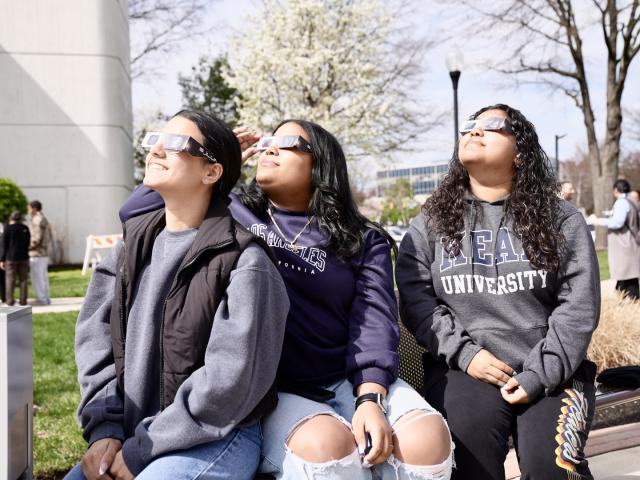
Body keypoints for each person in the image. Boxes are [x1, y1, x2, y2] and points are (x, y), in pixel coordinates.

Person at [120, 119, 454, 479]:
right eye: (266, 142)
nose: (269, 149)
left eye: (289, 143)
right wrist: (224, 155)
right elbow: (137, 209)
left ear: (321, 163)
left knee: (424, 440)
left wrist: (369, 398)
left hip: (345, 379)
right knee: (325, 445)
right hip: (273, 391)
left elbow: (373, 320)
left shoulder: (362, 238)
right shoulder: (232, 212)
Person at [64, 110, 289, 480]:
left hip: (217, 437)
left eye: (175, 144)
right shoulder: (127, 250)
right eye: (154, 140)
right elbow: (95, 344)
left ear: (212, 172)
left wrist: (141, 449)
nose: (156, 151)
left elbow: (228, 382)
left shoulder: (246, 261)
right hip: (133, 436)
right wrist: (104, 431)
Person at [396, 104, 600, 480]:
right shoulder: (431, 223)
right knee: (467, 462)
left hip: (553, 372)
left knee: (550, 469)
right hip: (467, 370)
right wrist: (466, 354)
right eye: (471, 125)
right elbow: (417, 301)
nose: (475, 131)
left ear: (520, 152)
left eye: (492, 125)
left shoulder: (561, 219)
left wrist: (539, 375)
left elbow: (578, 308)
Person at [589, 179, 640, 300]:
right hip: (630, 243)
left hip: (624, 245)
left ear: (616, 190)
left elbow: (618, 222)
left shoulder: (621, 202)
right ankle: (624, 299)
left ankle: (631, 302)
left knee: (627, 275)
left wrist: (597, 221)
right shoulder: (632, 200)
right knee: (628, 275)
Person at [0, 211, 31, 306]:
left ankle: (9, 301)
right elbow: (27, 243)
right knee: (23, 280)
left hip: (11, 258)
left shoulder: (8, 229)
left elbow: (4, 245)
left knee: (10, 280)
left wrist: (2, 259)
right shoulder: (25, 228)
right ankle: (23, 301)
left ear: (11, 218)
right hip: (24, 257)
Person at [28, 200, 51, 305]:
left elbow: (37, 237)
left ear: (34, 208)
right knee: (43, 277)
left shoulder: (37, 219)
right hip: (43, 253)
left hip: (37, 253)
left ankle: (41, 299)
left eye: (29, 208)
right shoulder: (43, 218)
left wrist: (28, 247)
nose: (28, 210)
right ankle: (45, 298)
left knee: (37, 278)